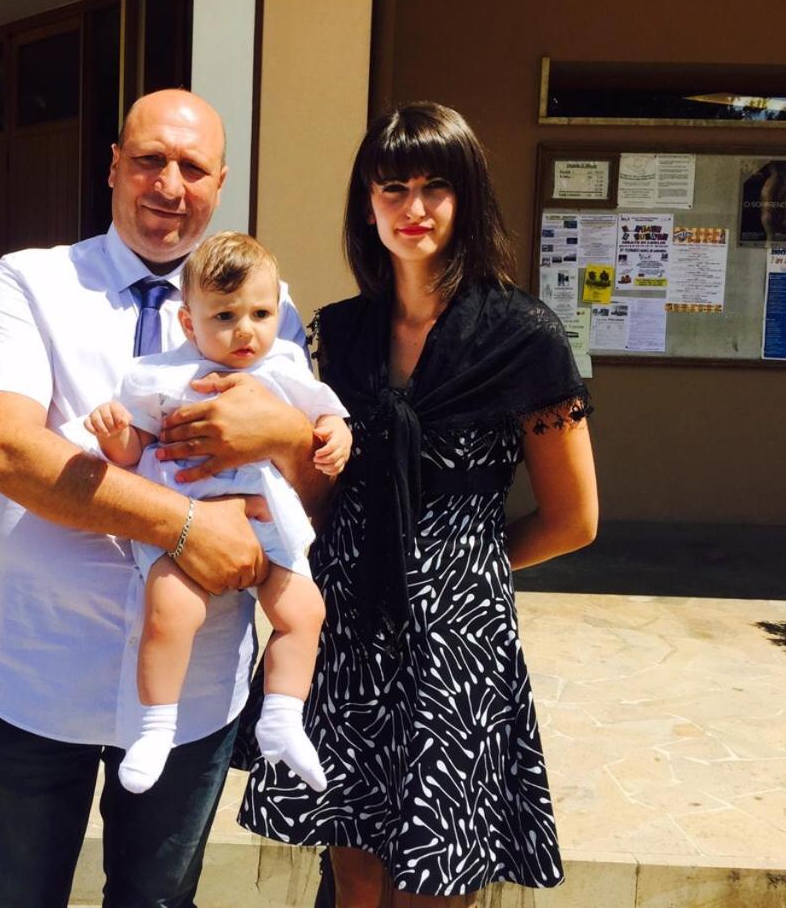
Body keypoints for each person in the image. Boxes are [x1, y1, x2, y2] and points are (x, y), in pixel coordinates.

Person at [0, 89, 330, 908]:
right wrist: (187, 525)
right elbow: (3, 449)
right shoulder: (31, 282)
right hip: (40, 671)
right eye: (150, 160)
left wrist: (290, 438)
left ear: (220, 182)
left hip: (195, 691)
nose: (169, 184)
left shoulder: (267, 310)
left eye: (192, 167)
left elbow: (308, 484)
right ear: (114, 166)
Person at [236, 102, 599, 908]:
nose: (414, 207)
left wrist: (463, 567)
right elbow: (325, 489)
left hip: (456, 640)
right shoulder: (340, 334)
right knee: (355, 875)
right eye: (392, 187)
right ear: (367, 203)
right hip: (350, 626)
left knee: (440, 876)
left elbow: (574, 519)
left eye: (436, 186)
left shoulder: (524, 336)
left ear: (467, 197)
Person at [83, 231, 351, 795]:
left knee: (304, 611)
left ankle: (282, 718)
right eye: (225, 316)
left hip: (267, 522)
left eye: (261, 313)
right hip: (185, 521)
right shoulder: (160, 375)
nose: (246, 330)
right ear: (189, 323)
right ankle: (156, 727)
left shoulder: (285, 365)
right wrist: (113, 434)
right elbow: (131, 451)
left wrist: (335, 435)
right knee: (169, 612)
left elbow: (323, 415)